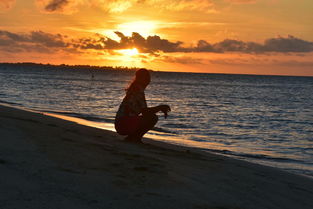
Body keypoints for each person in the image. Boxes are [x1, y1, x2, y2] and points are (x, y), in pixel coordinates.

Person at [115, 68, 171, 143]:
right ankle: (135, 138)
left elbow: (144, 111)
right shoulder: (137, 91)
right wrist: (160, 107)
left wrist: (159, 108)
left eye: (149, 78)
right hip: (123, 124)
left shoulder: (136, 89)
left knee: (151, 117)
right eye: (146, 78)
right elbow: (145, 112)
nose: (148, 80)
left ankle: (132, 138)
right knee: (152, 118)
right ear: (140, 79)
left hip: (121, 124)